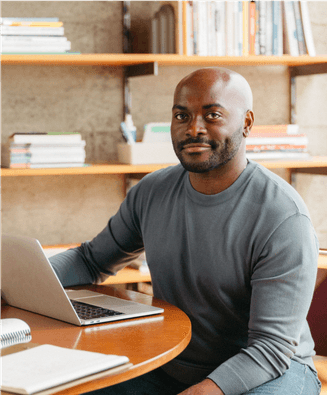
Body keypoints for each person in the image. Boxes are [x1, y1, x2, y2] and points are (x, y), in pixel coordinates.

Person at [50, 68, 321, 395]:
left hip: (271, 369)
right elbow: (91, 261)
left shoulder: (282, 216)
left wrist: (205, 390)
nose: (194, 128)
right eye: (182, 115)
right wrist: (18, 283)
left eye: (213, 115)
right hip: (174, 361)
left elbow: (271, 347)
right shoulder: (151, 191)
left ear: (247, 123)